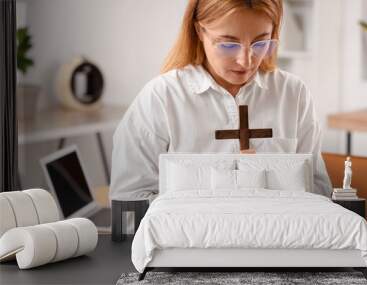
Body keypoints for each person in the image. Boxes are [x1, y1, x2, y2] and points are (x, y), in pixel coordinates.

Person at [110, 0, 332, 202]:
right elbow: (128, 201)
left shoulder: (293, 94)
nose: (245, 61)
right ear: (199, 31)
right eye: (228, 45)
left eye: (260, 43)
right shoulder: (161, 98)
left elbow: (317, 189)